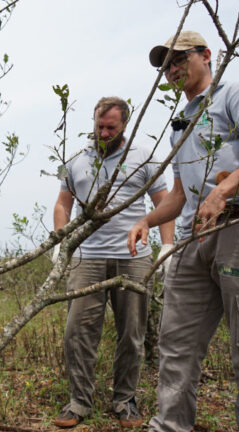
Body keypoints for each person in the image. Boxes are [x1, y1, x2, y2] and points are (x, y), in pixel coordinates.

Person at [128, 31, 239, 432]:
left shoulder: (235, 95)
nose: (172, 69)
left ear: (206, 55)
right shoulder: (180, 124)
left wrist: (223, 190)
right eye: (166, 64)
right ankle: (169, 425)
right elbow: (181, 195)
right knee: (176, 341)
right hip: (193, 235)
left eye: (180, 58)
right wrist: (147, 220)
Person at [53, 96, 175, 428]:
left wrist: (167, 245)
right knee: (77, 332)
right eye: (99, 126)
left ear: (125, 125)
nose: (104, 133)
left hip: (133, 258)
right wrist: (61, 238)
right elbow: (63, 204)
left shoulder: (144, 158)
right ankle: (79, 401)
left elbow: (163, 202)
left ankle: (125, 400)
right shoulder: (77, 160)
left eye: (111, 127)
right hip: (86, 257)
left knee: (131, 333)